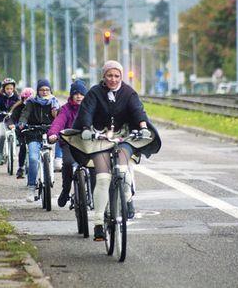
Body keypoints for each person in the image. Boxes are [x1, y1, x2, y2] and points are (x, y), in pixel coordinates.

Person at [72, 60, 161, 241]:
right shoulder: (95, 93)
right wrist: (87, 128)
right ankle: (98, 223)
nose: (113, 79)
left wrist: (143, 127)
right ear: (104, 76)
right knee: (103, 179)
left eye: (117, 76)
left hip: (124, 137)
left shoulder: (128, 92)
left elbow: (138, 111)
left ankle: (127, 199)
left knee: (124, 171)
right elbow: (86, 112)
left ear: (121, 76)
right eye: (110, 75)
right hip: (100, 138)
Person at [47, 80, 96, 207]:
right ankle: (66, 190)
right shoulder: (66, 109)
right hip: (70, 143)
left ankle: (96, 194)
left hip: (88, 143)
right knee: (68, 163)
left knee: (94, 165)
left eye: (81, 93)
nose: (79, 96)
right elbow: (58, 122)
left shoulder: (92, 107)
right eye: (76, 93)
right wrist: (53, 134)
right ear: (71, 95)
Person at [18, 79, 60, 202]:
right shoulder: (31, 102)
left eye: (47, 89)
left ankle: (56, 162)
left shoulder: (54, 101)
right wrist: (22, 123)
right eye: (42, 90)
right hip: (33, 133)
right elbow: (25, 114)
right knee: (32, 158)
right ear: (38, 91)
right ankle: (31, 187)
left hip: (49, 132)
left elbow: (60, 117)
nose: (44, 92)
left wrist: (55, 114)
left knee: (61, 141)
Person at [6, 87, 35, 178]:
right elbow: (11, 118)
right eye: (25, 99)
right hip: (21, 131)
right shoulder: (18, 107)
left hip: (34, 131)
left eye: (29, 99)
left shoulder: (36, 107)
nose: (27, 101)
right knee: (23, 147)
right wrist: (11, 124)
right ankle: (20, 167)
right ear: (22, 99)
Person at [0, 78, 20, 165]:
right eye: (7, 89)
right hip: (2, 119)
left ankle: (17, 141)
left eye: (11, 88)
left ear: (14, 89)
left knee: (18, 131)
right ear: (4, 89)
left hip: (13, 120)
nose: (9, 90)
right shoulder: (0, 97)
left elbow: (21, 105)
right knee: (2, 135)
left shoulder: (16, 97)